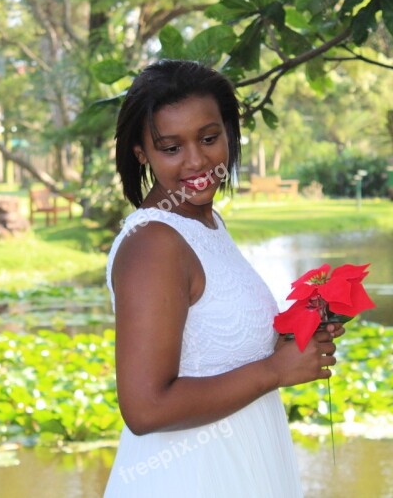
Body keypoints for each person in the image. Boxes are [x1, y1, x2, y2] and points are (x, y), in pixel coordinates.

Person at [104, 59, 345, 497]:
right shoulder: (153, 244)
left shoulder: (206, 222)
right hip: (190, 478)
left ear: (229, 135)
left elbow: (217, 349)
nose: (198, 161)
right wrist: (275, 370)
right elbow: (145, 408)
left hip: (244, 464)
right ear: (142, 154)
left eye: (210, 138)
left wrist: (293, 336)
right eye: (171, 148)